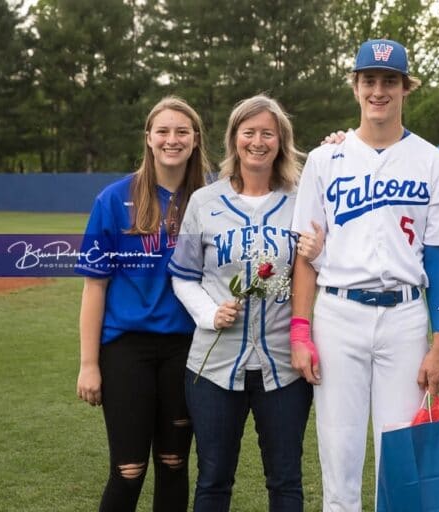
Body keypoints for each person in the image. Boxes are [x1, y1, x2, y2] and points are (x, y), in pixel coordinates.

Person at [289, 39, 439, 511]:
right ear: (355, 87)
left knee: (399, 459)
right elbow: (305, 257)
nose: (378, 90)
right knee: (339, 452)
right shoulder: (324, 159)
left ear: (405, 88)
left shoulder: (433, 162)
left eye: (389, 81)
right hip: (338, 313)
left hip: (405, 316)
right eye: (369, 80)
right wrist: (300, 331)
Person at [167, 95, 322, 512]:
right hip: (215, 365)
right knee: (214, 479)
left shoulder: (302, 199)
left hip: (285, 366)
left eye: (267, 133)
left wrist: (321, 249)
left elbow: (320, 268)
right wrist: (208, 312)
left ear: (281, 141)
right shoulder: (204, 201)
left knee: (286, 480)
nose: (257, 141)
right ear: (234, 139)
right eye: (248, 132)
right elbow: (182, 276)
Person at [75, 96, 210, 511]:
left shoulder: (211, 197)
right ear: (149, 139)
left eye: (182, 131)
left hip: (187, 348)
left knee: (173, 462)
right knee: (129, 468)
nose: (172, 139)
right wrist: (88, 364)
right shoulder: (114, 200)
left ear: (195, 139)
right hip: (126, 349)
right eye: (163, 131)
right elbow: (94, 287)